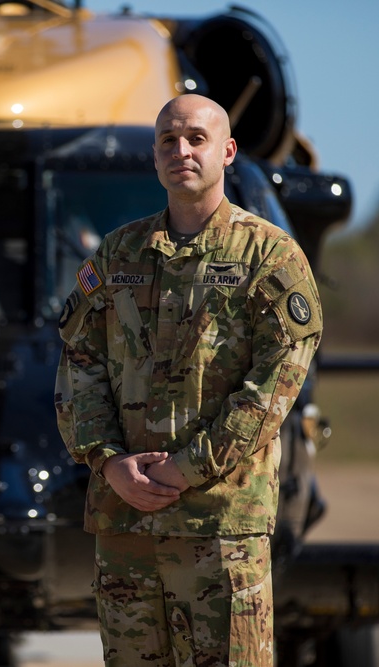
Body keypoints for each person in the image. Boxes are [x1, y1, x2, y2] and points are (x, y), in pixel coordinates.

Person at [54, 94, 322, 666]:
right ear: (154, 158)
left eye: (196, 139)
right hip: (127, 525)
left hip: (220, 526)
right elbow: (79, 363)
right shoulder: (119, 253)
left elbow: (271, 390)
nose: (182, 151)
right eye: (169, 141)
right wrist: (106, 461)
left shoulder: (270, 259)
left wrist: (186, 468)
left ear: (226, 152)